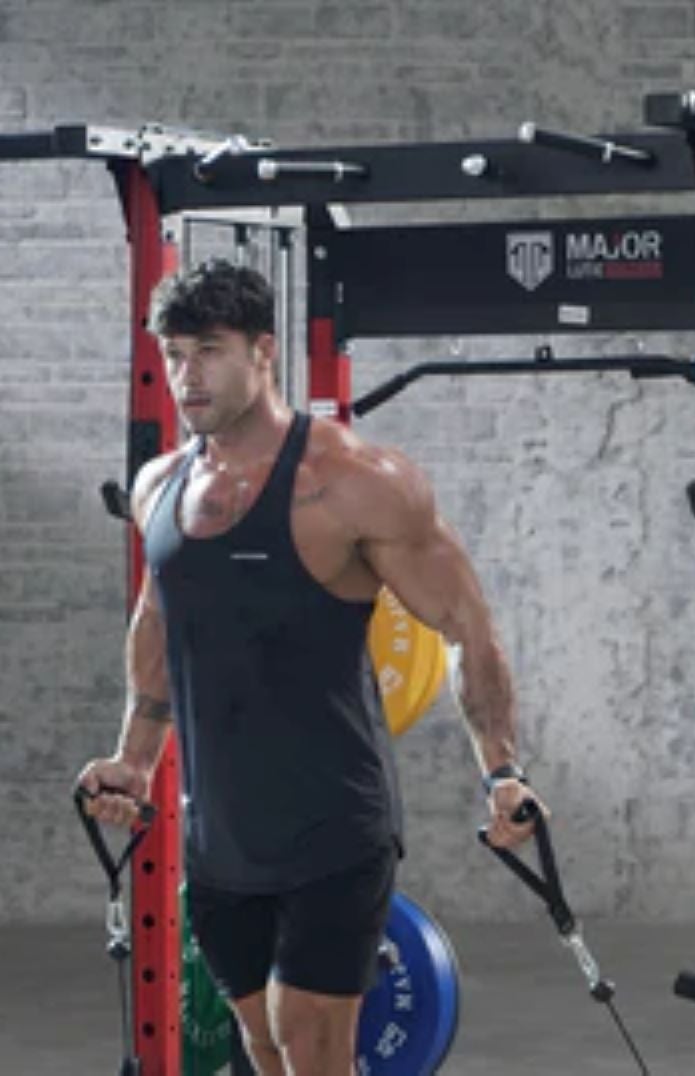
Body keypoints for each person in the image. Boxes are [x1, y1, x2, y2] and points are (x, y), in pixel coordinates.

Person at [75, 261, 542, 1076]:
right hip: (220, 833)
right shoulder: (161, 485)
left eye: (208, 351)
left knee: (312, 1050)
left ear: (263, 353)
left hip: (334, 825)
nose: (186, 375)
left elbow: (466, 624)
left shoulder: (354, 483)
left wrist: (502, 772)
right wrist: (134, 760)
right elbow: (158, 619)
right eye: (174, 354)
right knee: (261, 1050)